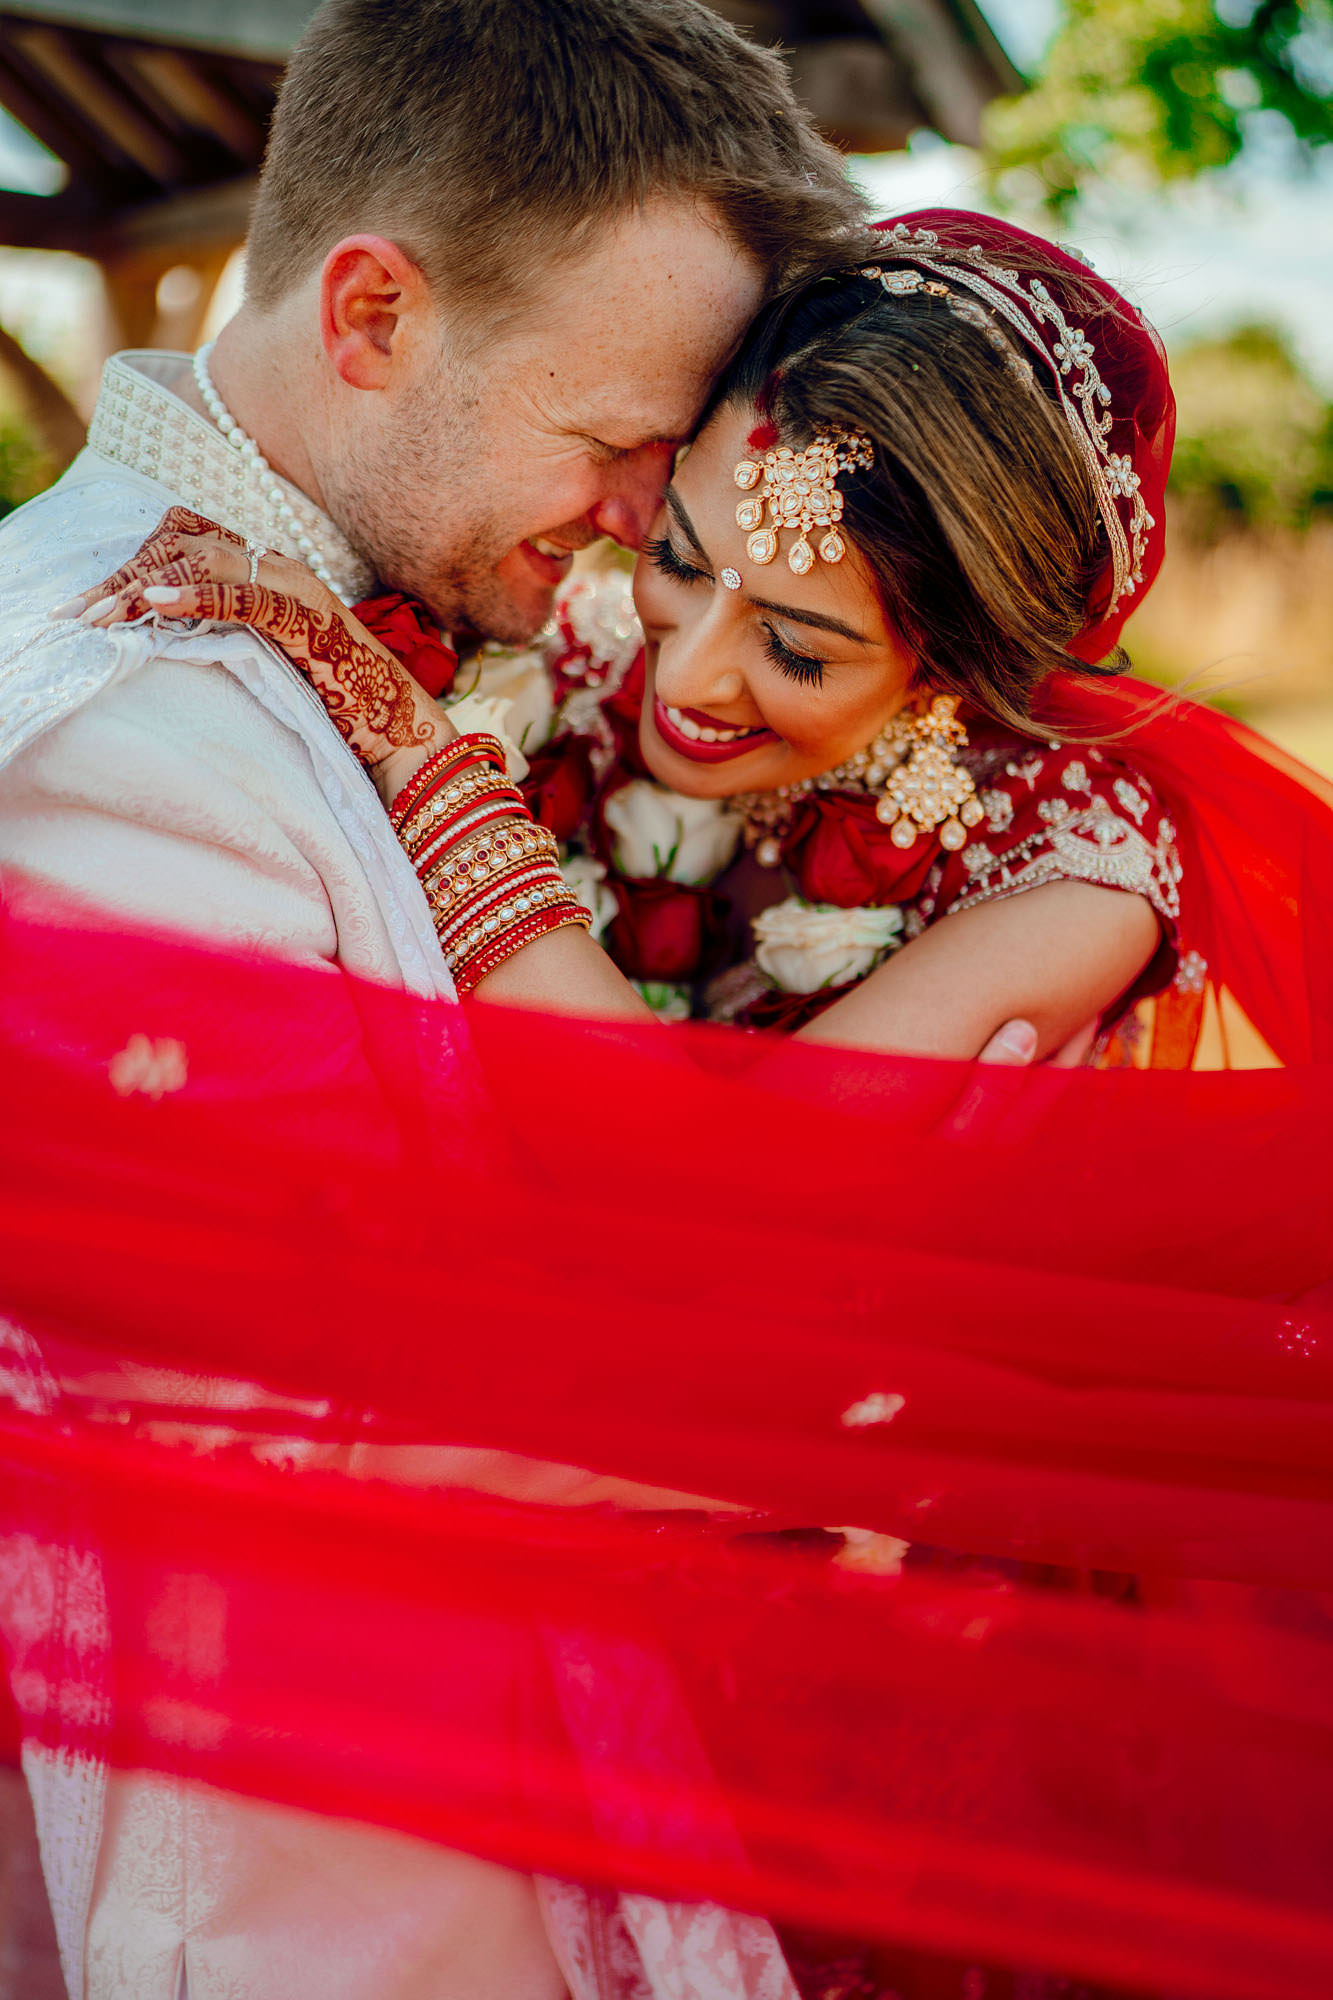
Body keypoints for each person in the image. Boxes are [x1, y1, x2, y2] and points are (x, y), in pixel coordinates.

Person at [0, 4, 872, 1996]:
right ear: (374, 316)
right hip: (314, 1889)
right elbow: (350, 1415)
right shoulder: (116, 731)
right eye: (613, 440)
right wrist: (948, 1363)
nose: (651, 518)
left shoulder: (301, 640)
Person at [83, 211, 1296, 1080]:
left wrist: (403, 737)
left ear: (950, 665)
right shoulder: (582, 652)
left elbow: (711, 1183)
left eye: (799, 648)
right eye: (675, 556)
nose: (688, 671)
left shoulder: (1070, 864)